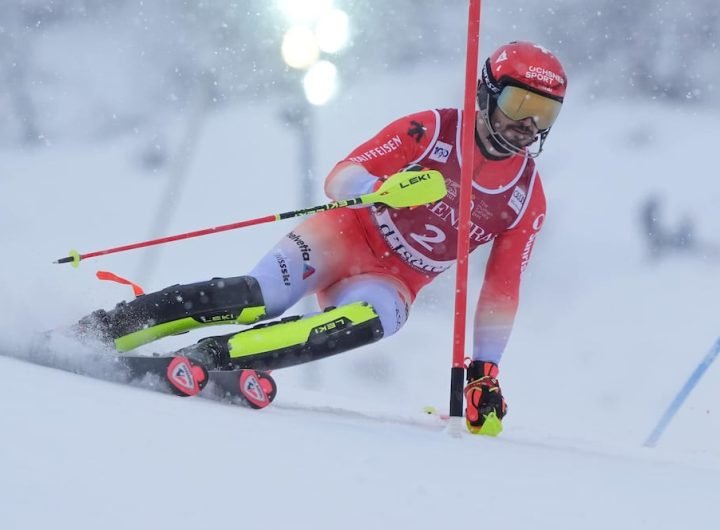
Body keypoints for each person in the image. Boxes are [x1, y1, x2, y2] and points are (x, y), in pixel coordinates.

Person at [77, 41, 568, 434]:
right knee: (260, 298)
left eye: (543, 114)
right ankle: (103, 329)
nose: (527, 125)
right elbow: (341, 176)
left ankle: (210, 358)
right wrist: (380, 190)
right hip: (345, 235)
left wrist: (484, 372)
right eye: (518, 103)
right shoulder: (434, 129)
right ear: (486, 91)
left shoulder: (526, 198)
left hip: (395, 279)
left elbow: (502, 289)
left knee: (374, 321)